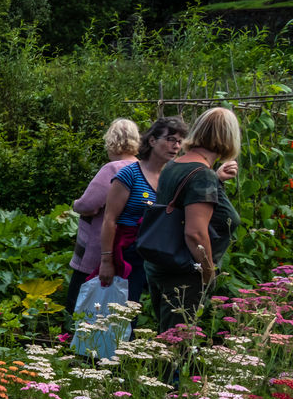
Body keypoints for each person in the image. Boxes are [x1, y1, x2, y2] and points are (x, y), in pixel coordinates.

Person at [144, 107, 241, 334]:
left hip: (163, 265)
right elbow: (195, 233)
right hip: (184, 274)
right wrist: (208, 272)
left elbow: (184, 203)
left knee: (167, 340)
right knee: (175, 348)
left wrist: (216, 179)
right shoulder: (201, 175)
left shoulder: (175, 165)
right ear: (228, 137)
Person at [97, 116, 189, 304]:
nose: (176, 146)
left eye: (180, 142)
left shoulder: (172, 177)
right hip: (130, 253)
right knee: (125, 308)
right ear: (152, 140)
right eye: (170, 139)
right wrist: (106, 261)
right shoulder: (129, 174)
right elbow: (109, 219)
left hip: (162, 253)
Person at [65, 119, 140, 316]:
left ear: (111, 141)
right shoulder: (141, 169)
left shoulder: (113, 168)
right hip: (127, 248)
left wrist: (75, 205)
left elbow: (88, 204)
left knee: (79, 302)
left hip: (97, 249)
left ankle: (72, 339)